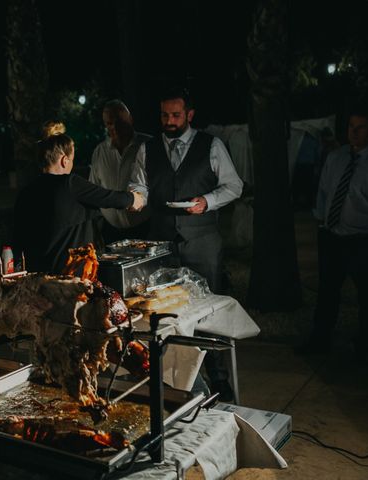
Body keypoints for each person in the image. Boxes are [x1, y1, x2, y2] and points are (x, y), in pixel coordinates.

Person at [129, 88, 243, 401]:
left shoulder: (212, 144)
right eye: (164, 115)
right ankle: (174, 384)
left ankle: (219, 381)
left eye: (176, 115)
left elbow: (234, 186)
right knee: (164, 316)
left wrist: (207, 201)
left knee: (208, 315)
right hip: (162, 245)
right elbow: (138, 184)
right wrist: (135, 198)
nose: (169, 121)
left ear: (190, 115)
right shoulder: (148, 149)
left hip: (203, 242)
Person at [13, 122, 144, 274]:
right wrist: (134, 198)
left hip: (36, 277)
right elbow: (108, 197)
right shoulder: (70, 184)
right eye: (72, 159)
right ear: (64, 160)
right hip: (68, 278)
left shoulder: (26, 193)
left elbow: (17, 241)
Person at [299, 107, 368, 358]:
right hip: (332, 236)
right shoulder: (338, 156)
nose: (353, 132)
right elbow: (324, 189)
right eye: (351, 126)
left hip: (363, 239)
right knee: (327, 292)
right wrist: (321, 220)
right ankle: (320, 341)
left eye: (360, 127)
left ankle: (366, 345)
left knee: (367, 296)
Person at [89, 100, 152, 244]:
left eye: (120, 122)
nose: (115, 128)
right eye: (110, 123)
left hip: (144, 229)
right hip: (111, 232)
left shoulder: (148, 146)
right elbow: (94, 190)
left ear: (130, 120)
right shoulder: (100, 152)